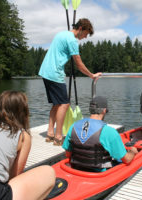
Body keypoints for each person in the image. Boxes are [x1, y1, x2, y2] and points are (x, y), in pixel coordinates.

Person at [39, 18, 102, 146]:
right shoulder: (72, 40)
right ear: (80, 29)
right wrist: (91, 75)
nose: (84, 37)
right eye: (85, 34)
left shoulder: (62, 33)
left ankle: (50, 133)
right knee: (64, 104)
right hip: (54, 73)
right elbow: (79, 64)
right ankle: (58, 137)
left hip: (45, 71)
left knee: (57, 104)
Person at [62, 96, 138, 172]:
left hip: (77, 168)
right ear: (104, 111)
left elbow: (68, 154)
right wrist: (132, 151)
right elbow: (127, 160)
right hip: (99, 173)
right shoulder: (109, 132)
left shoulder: (73, 126)